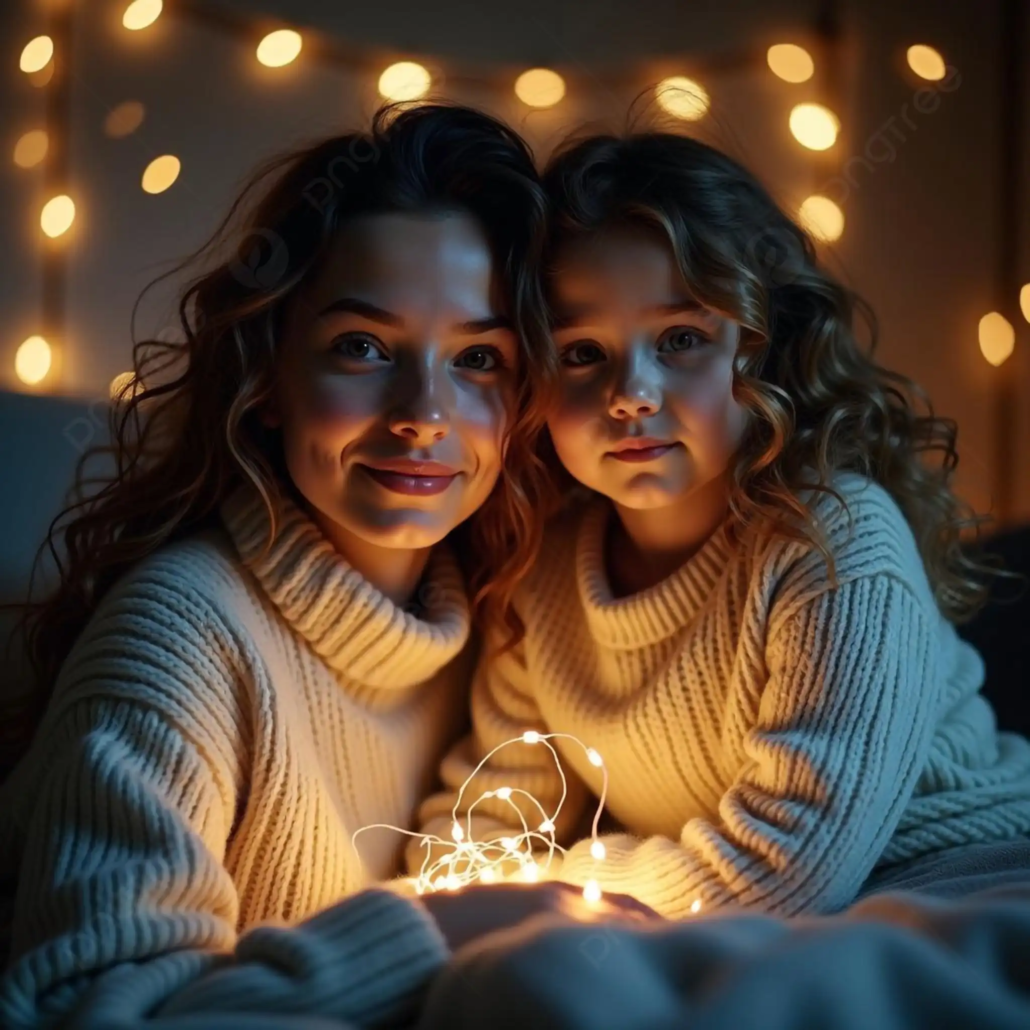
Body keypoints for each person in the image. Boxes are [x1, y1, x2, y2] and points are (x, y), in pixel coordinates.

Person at [0, 103, 651, 1030]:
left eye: (477, 357)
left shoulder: (511, 630)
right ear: (267, 378)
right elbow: (91, 1013)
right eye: (363, 348)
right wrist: (445, 927)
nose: (424, 410)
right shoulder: (177, 645)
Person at [413, 126, 1030, 920]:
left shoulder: (837, 545)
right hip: (714, 902)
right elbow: (486, 820)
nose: (631, 392)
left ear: (764, 348)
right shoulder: (546, 575)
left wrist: (566, 873)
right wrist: (458, 883)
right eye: (581, 353)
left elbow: (784, 876)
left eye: (681, 340)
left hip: (955, 878)